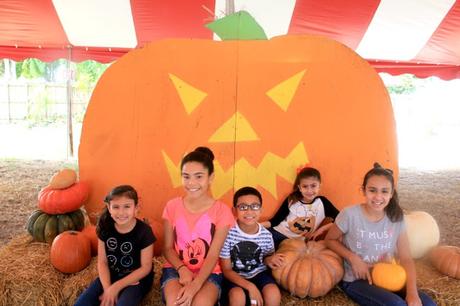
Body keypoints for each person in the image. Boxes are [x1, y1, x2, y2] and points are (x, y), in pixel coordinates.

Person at [325, 163, 436, 306]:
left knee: (427, 303)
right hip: (356, 279)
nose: (378, 197)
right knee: (396, 304)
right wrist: (353, 258)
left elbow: (407, 258)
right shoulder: (349, 214)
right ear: (363, 190)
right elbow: (329, 240)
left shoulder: (396, 218)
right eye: (372, 190)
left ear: (391, 193)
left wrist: (412, 293)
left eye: (384, 191)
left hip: (388, 276)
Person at [161, 147, 234, 306]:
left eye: (199, 176)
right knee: (177, 303)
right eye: (186, 177)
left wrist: (195, 285)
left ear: (211, 177)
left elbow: (213, 254)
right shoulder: (171, 206)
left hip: (209, 273)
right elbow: (167, 248)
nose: (191, 183)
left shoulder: (222, 211)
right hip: (175, 269)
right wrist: (182, 269)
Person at [75, 185, 156, 306]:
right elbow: (102, 262)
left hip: (136, 280)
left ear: (136, 207)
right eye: (116, 207)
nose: (121, 212)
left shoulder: (144, 231)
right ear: (109, 207)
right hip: (110, 276)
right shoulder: (105, 228)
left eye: (127, 206)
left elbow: (146, 267)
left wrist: (115, 288)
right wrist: (108, 288)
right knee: (82, 303)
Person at [220, 187, 285, 306]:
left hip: (258, 274)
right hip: (235, 276)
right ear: (234, 211)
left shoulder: (266, 235)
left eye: (254, 206)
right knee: (237, 296)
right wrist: (250, 287)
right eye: (243, 207)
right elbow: (226, 270)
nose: (249, 211)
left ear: (261, 210)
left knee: (273, 293)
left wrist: (269, 260)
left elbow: (266, 258)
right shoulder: (227, 234)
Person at [262, 167, 339, 247]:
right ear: (300, 188)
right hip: (277, 233)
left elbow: (340, 219)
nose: (309, 191)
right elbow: (275, 221)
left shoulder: (322, 203)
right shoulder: (291, 199)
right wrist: (255, 225)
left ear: (319, 186)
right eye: (305, 186)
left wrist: (321, 230)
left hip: (295, 243)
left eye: (313, 186)